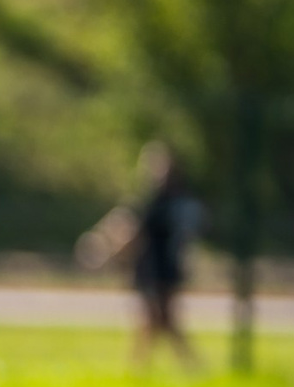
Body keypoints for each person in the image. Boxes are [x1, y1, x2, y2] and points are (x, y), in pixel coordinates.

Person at [79, 141, 202, 371]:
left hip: (162, 267)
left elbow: (135, 232)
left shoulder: (167, 200)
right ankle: (146, 368)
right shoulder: (154, 199)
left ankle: (151, 368)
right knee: (154, 320)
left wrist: (106, 253)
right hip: (152, 267)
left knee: (161, 320)